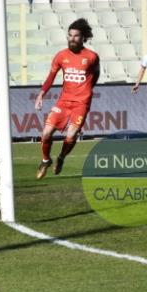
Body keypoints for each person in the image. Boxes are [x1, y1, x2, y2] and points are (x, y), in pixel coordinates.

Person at [34, 19, 100, 179]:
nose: (72, 38)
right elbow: (51, 77)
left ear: (83, 37)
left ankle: (61, 158)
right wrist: (41, 94)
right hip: (63, 101)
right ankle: (45, 160)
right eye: (69, 35)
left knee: (71, 134)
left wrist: (87, 89)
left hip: (81, 103)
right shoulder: (61, 56)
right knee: (46, 133)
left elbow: (96, 74)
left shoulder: (92, 57)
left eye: (76, 36)